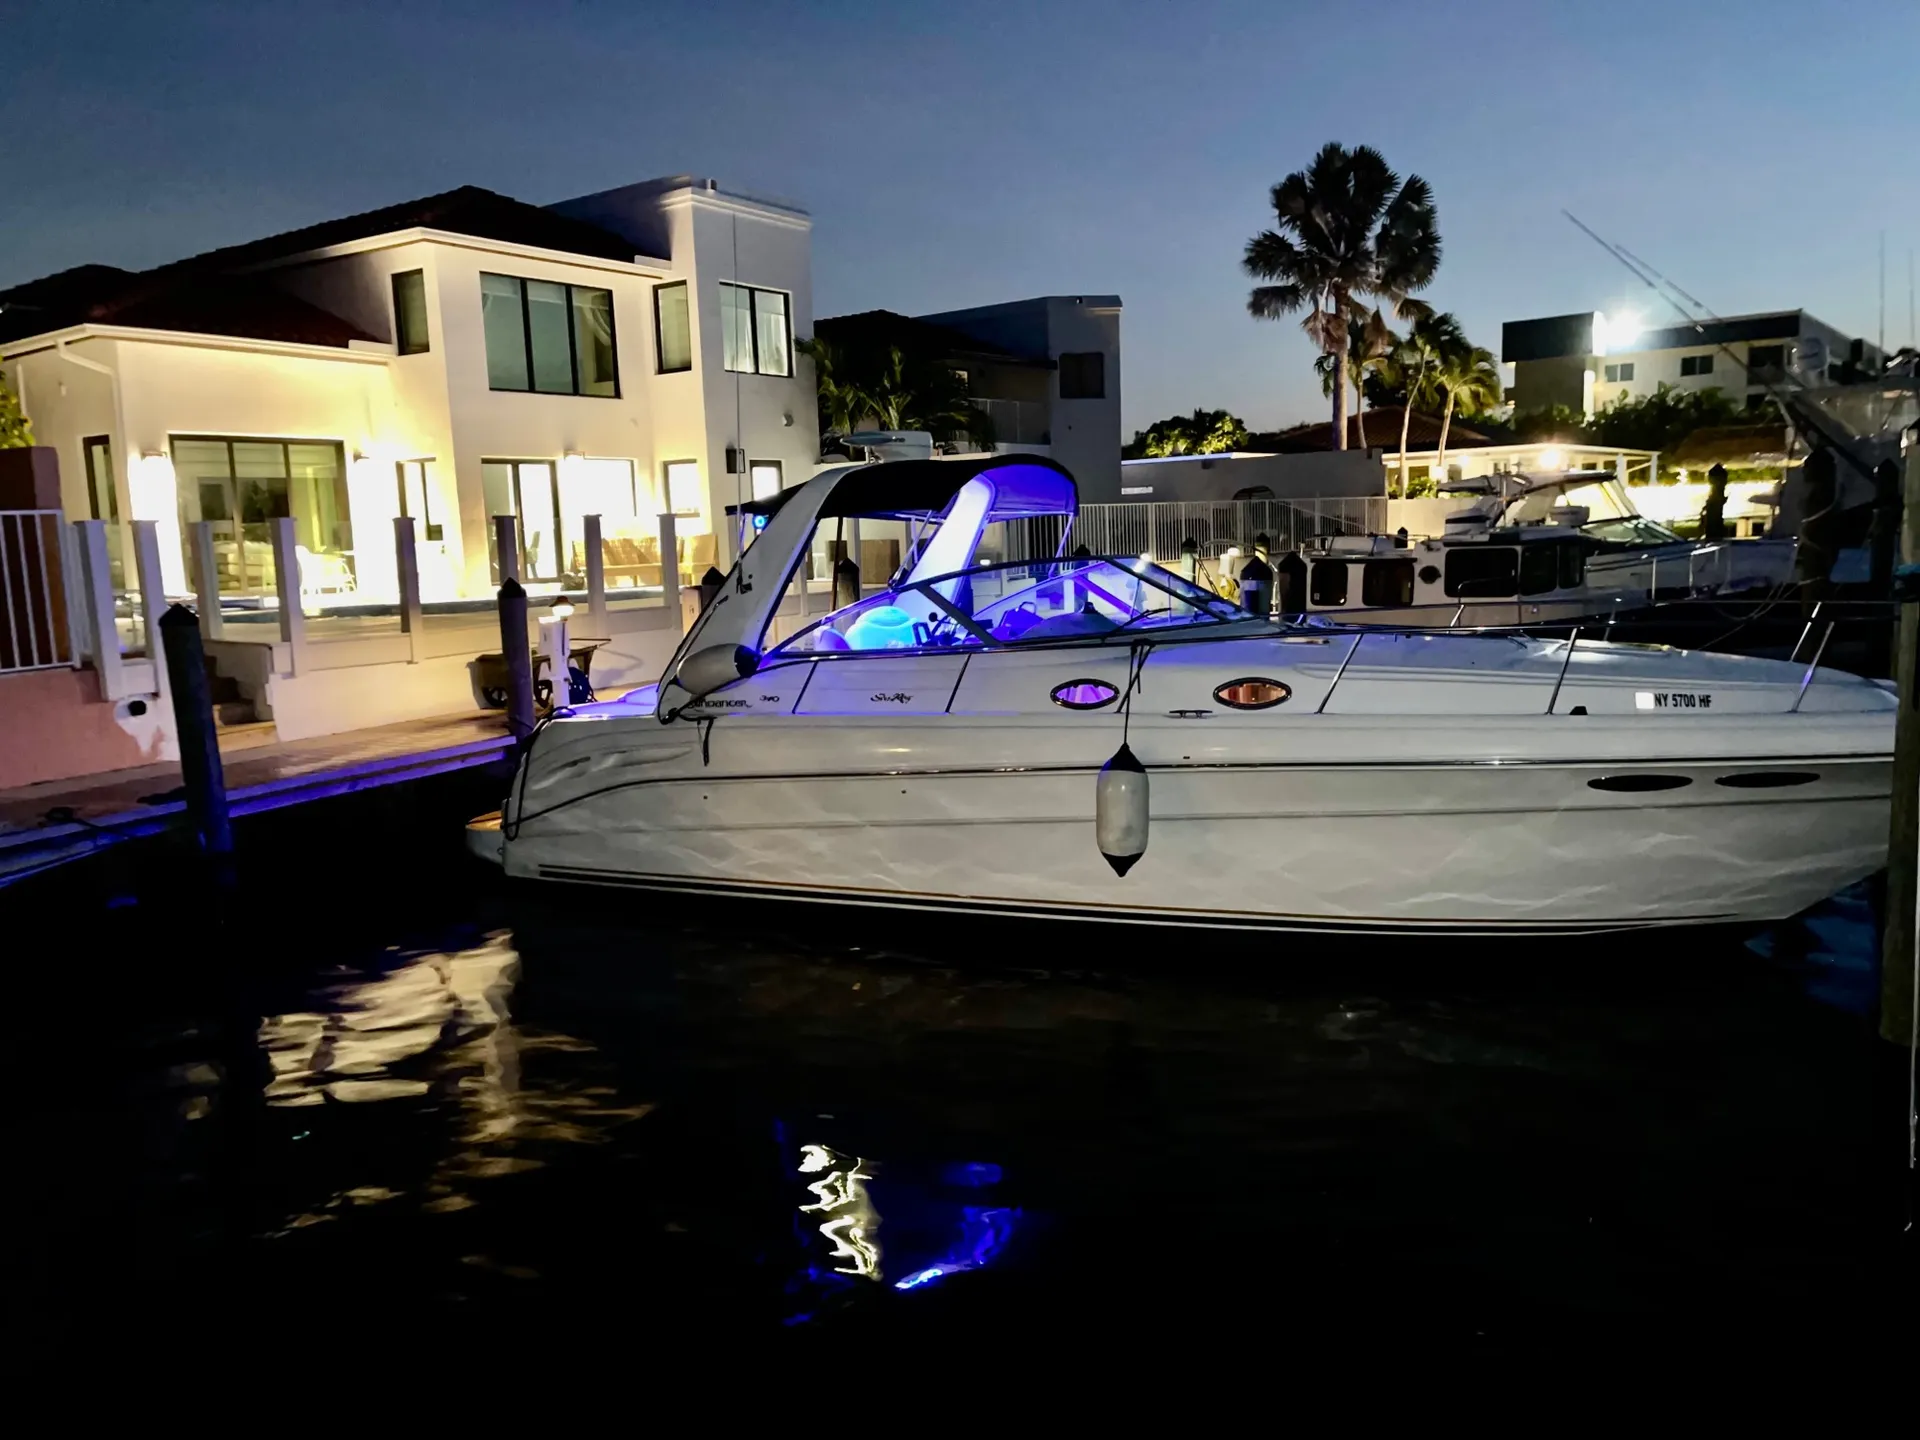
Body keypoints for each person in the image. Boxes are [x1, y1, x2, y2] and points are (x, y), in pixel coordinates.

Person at [1701, 463, 1729, 542]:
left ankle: (1713, 537)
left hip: (1714, 506)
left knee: (1714, 522)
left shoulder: (1715, 494)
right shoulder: (1718, 493)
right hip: (1716, 505)